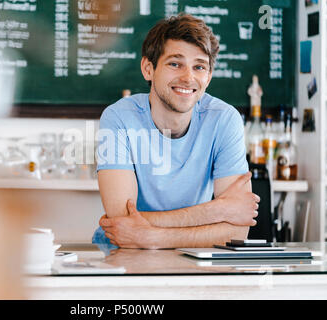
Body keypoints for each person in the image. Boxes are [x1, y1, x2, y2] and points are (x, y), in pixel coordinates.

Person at [92, 14, 260, 249]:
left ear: (209, 77)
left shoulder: (224, 119)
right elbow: (121, 222)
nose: (188, 77)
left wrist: (153, 238)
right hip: (122, 254)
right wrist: (216, 211)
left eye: (199, 67)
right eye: (175, 63)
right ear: (148, 69)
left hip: (191, 258)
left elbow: (237, 232)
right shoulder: (118, 117)